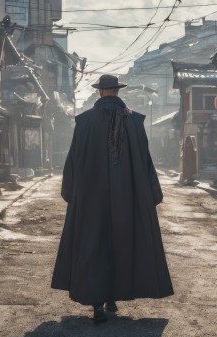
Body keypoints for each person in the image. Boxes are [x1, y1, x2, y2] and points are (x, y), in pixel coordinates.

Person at [51, 74, 174, 323]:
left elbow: (74, 158)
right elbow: (144, 161)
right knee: (121, 243)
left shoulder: (85, 122)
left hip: (90, 198)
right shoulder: (134, 121)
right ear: (117, 91)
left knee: (93, 246)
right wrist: (150, 192)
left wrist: (71, 191)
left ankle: (97, 304)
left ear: (100, 92)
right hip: (126, 197)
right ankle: (112, 299)